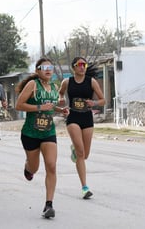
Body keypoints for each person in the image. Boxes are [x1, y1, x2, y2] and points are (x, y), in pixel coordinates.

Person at [15, 57, 68, 219]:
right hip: (30, 133)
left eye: (50, 67)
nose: (48, 70)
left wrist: (60, 110)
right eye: (44, 67)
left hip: (48, 132)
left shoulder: (54, 87)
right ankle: (27, 167)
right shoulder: (33, 85)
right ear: (38, 70)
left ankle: (48, 204)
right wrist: (39, 107)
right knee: (34, 168)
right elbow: (19, 105)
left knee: (51, 166)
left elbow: (50, 107)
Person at [58, 57, 105, 199]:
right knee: (80, 153)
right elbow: (60, 93)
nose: (82, 67)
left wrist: (94, 103)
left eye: (84, 65)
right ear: (74, 68)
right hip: (73, 118)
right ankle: (85, 187)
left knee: (85, 154)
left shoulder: (91, 82)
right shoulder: (67, 82)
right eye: (79, 65)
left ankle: (75, 150)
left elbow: (103, 100)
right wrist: (61, 99)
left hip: (87, 118)